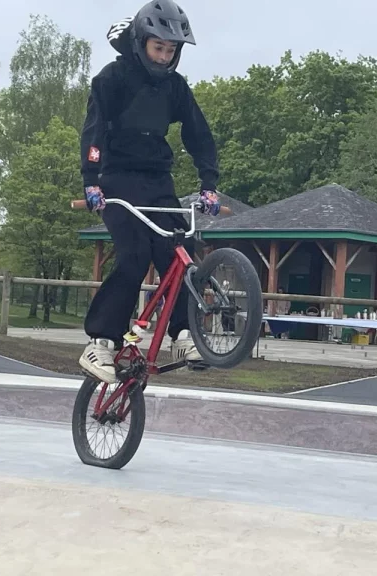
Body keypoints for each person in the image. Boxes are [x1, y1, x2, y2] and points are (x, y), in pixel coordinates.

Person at [78, 0, 221, 382]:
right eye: (158, 48)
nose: (163, 58)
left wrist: (209, 183)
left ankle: (184, 334)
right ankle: (100, 343)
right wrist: (91, 180)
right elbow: (93, 132)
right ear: (141, 43)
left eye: (171, 51)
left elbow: (199, 136)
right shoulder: (113, 79)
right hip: (117, 179)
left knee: (179, 252)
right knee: (135, 255)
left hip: (158, 181)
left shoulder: (175, 87)